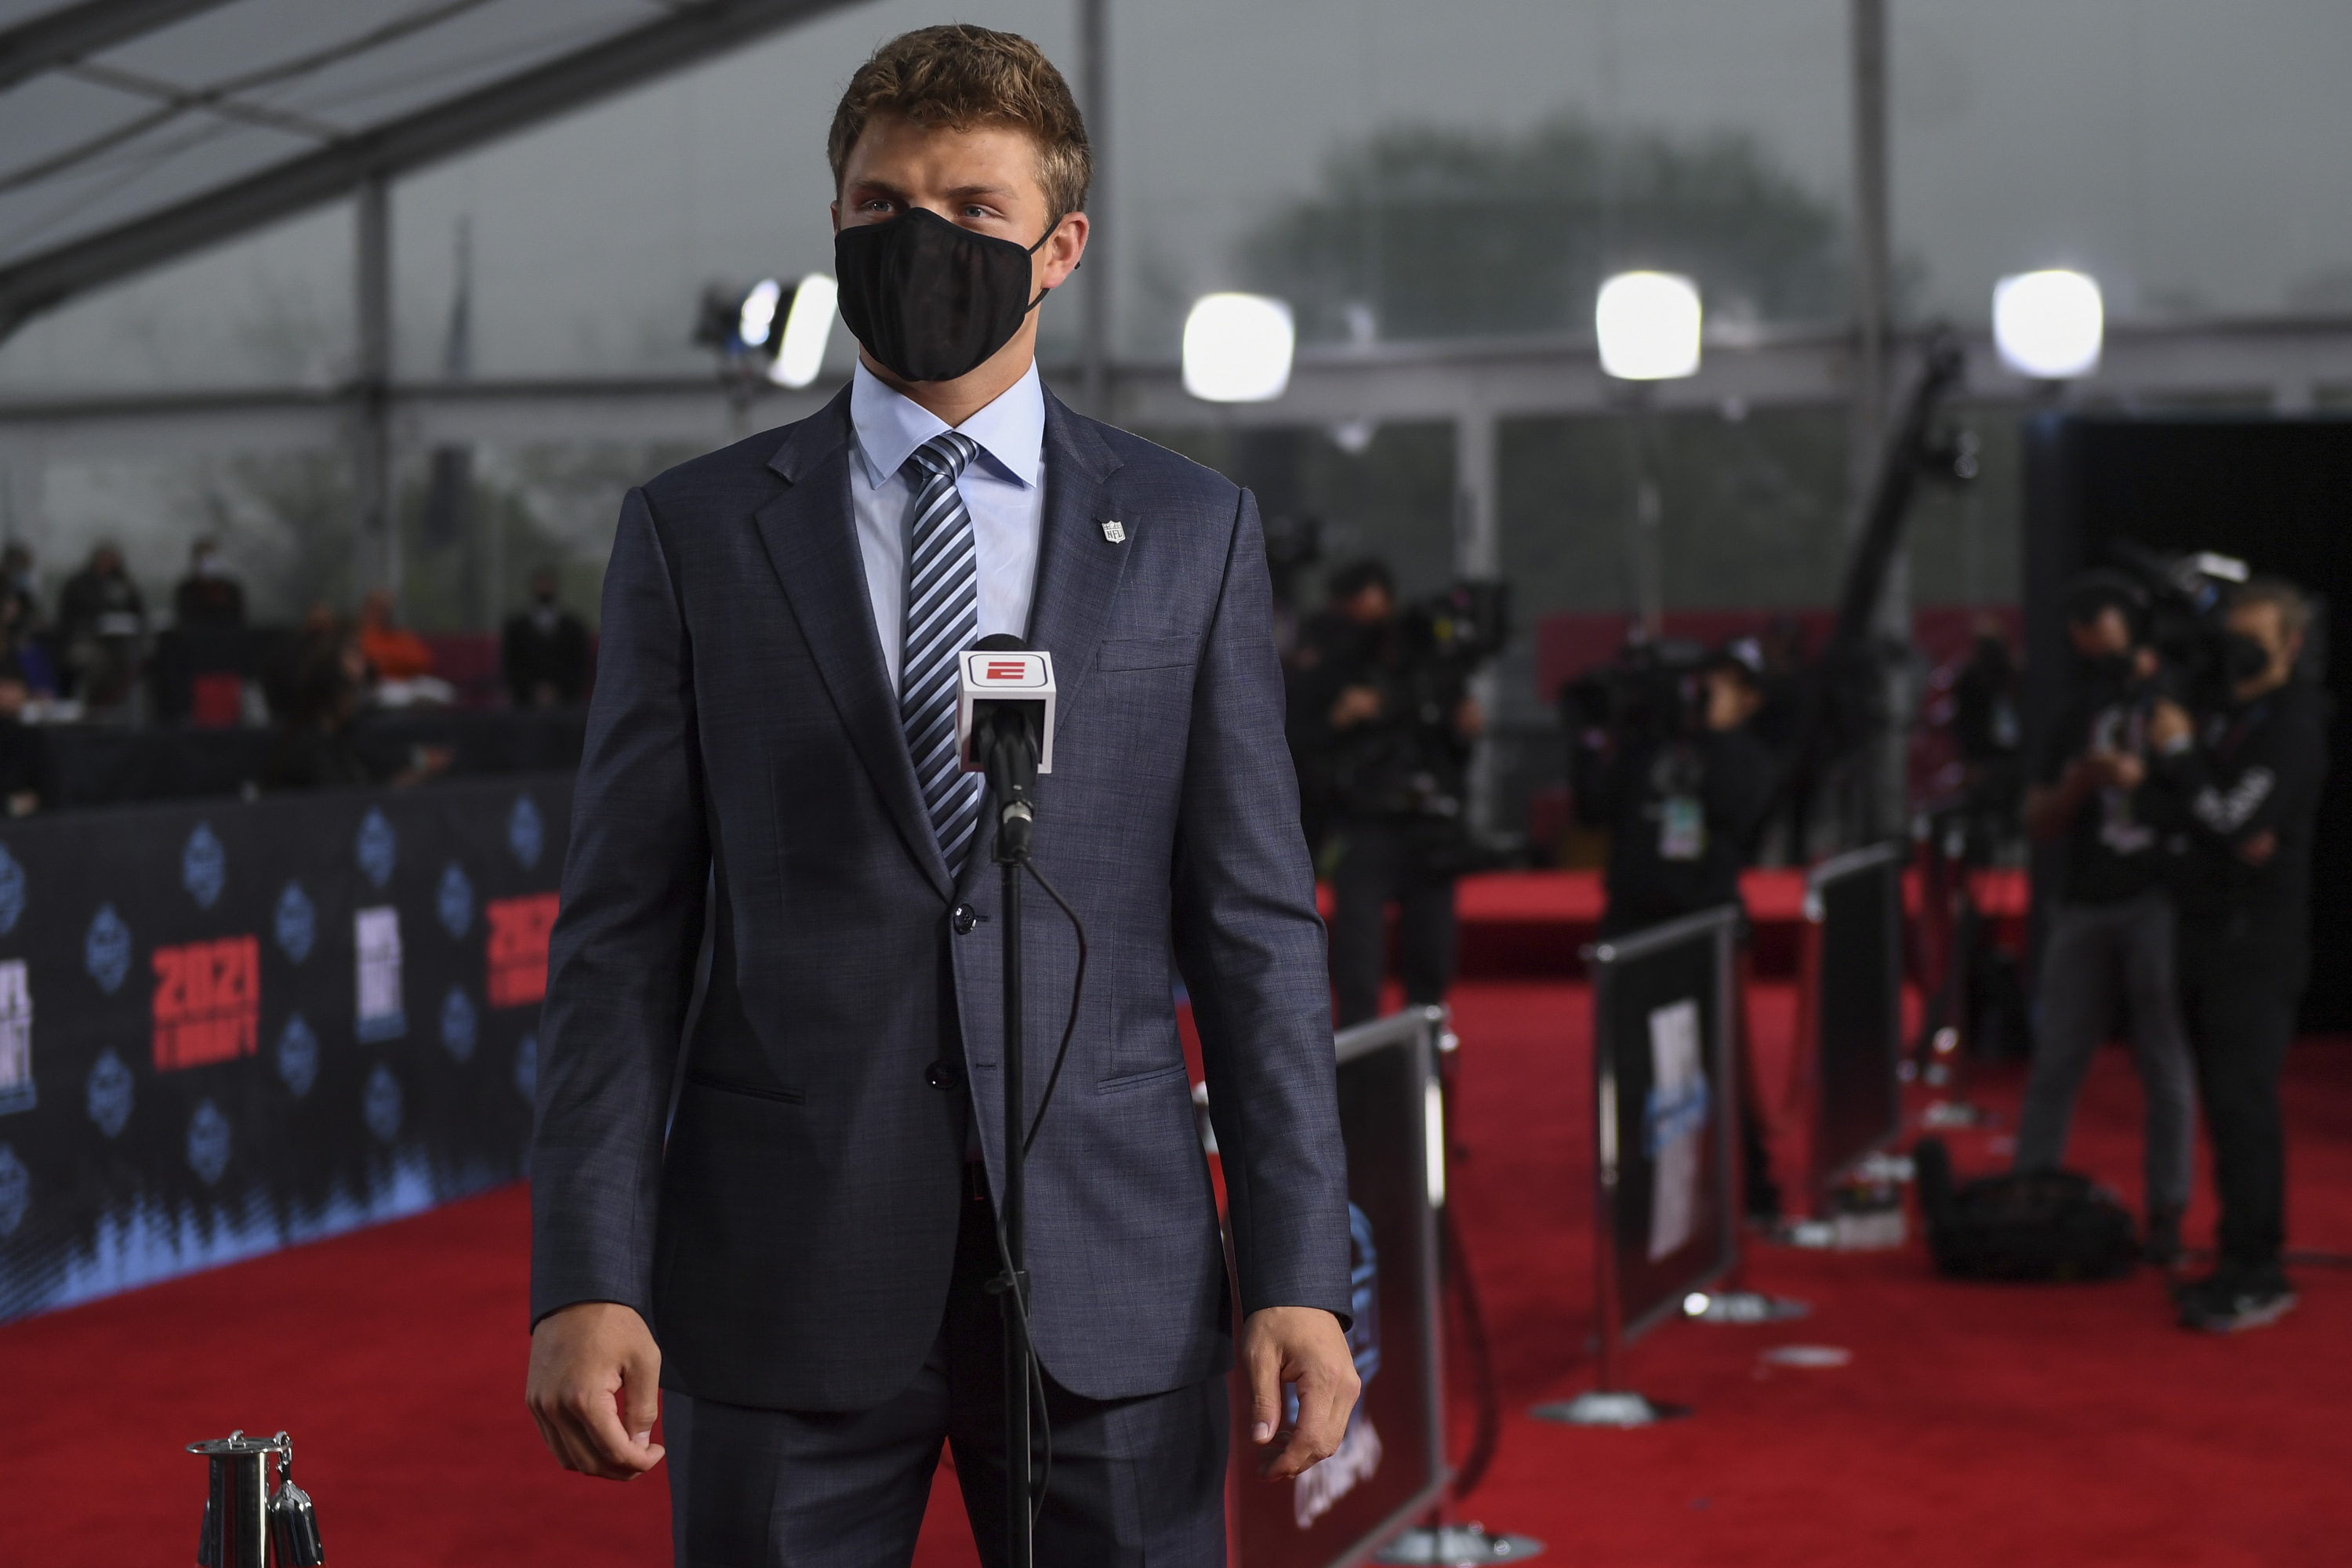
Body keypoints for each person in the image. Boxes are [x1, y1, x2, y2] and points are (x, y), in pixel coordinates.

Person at [523, 27, 1358, 1566]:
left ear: (1061, 247)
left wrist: (1302, 1265)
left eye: (973, 210)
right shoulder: (695, 534)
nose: (925, 240)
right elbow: (619, 944)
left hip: (1116, 1277)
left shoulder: (1190, 531)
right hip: (782, 1273)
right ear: (837, 224)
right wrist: (587, 1268)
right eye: (881, 204)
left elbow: (1255, 931)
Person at [2147, 576, 2331, 1332]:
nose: (2240, 648)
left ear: (2291, 644)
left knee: (2243, 1104)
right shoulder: (2228, 713)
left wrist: (2186, 762)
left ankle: (2259, 1267)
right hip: (2202, 931)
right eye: (2234, 634)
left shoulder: (2291, 724)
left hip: (2255, 946)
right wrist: (2210, 809)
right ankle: (2234, 1254)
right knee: (2223, 1108)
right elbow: (2175, 813)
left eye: (2257, 635)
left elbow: (2226, 813)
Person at [2012, 574, 2194, 1264]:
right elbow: (2037, 821)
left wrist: (2149, 777)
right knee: (2057, 1055)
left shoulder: (2178, 700)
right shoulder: (2073, 710)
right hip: (2085, 902)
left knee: (2165, 1061)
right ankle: (2029, 1193)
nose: (2098, 649)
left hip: (2159, 899)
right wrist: (2080, 784)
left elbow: (2209, 804)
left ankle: (2169, 1210)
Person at [1571, 638, 1780, 1215]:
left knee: (1720, 1065)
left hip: (1703, 928)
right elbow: (1593, 808)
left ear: (1749, 699)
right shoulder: (1647, 747)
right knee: (1632, 1067)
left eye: (1722, 684)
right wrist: (1591, 738)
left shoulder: (1744, 757)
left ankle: (1750, 1189)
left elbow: (1740, 811)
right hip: (1633, 924)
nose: (1703, 691)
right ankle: (1637, 1195)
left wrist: (1712, 736)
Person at [1291, 557, 1483, 1028]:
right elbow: (1295, 742)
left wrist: (1462, 730)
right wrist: (1340, 719)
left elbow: (1451, 754)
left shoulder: (1430, 668)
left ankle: (1429, 1072)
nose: (1373, 631)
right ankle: (1359, 1076)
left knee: (1430, 966)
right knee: (1358, 969)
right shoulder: (1327, 663)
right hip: (1364, 825)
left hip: (1430, 829)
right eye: (1359, 617)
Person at [56, 542, 144, 707]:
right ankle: (92, 708)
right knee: (98, 663)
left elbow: (138, 614)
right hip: (83, 642)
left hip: (118, 646)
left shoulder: (123, 584)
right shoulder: (78, 584)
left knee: (130, 664)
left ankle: (117, 710)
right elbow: (67, 620)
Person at [502, 566, 592, 706]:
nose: (544, 588)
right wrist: (533, 689)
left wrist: (558, 689)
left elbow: (579, 664)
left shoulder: (574, 627)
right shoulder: (516, 627)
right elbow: (511, 664)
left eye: (548, 584)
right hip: (525, 702)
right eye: (541, 584)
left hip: (567, 701)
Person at [356, 589, 433, 682]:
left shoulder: (402, 635)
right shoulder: (361, 635)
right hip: (380, 683)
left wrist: (391, 660)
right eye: (379, 607)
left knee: (443, 691)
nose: (384, 612)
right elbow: (371, 662)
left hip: (410, 681)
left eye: (387, 608)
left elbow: (423, 660)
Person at [172, 537, 246, 628]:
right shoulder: (186, 591)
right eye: (204, 558)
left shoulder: (230, 590)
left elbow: (237, 620)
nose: (209, 563)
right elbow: (186, 621)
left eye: (212, 558)